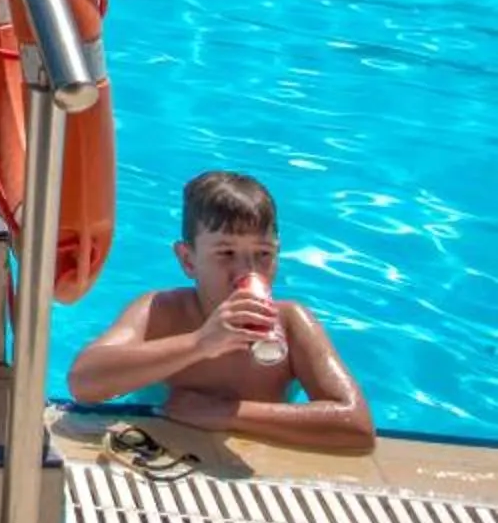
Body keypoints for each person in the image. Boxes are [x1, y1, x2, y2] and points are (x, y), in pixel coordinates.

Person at [69, 170, 373, 453]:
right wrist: (199, 343)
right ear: (188, 261)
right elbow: (84, 384)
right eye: (226, 253)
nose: (247, 270)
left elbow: (356, 427)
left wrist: (228, 414)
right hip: (161, 449)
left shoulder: (291, 323)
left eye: (263, 254)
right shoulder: (161, 312)